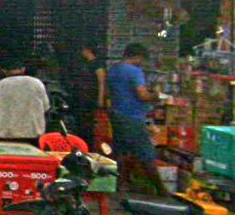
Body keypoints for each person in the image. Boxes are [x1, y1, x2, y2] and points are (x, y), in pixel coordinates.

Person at [106, 43, 165, 194]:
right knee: (146, 153)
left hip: (117, 114)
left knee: (121, 152)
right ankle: (161, 189)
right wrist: (156, 96)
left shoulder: (113, 70)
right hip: (132, 116)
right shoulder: (134, 71)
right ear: (138, 57)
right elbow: (142, 95)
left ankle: (120, 184)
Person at [0, 59, 50, 145]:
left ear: (3, 71)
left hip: (5, 136)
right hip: (33, 135)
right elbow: (46, 107)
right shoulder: (37, 83)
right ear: (23, 69)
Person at [68, 45, 106, 140]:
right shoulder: (85, 64)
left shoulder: (97, 64)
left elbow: (101, 82)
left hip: (91, 97)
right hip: (83, 97)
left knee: (89, 122)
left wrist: (100, 98)